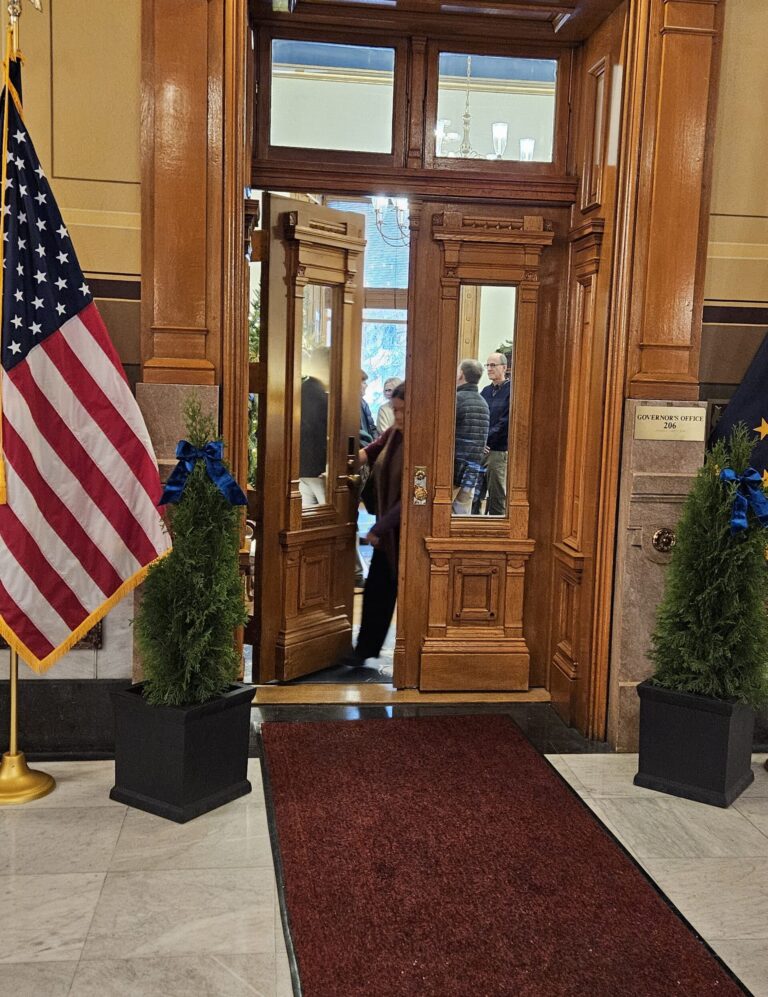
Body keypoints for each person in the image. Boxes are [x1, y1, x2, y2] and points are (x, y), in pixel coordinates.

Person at [342, 382, 405, 667]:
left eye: (403, 410)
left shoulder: (423, 441)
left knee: (386, 588)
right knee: (378, 588)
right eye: (395, 410)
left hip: (404, 533)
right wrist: (339, 467)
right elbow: (369, 450)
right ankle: (364, 649)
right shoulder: (394, 434)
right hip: (388, 530)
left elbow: (413, 500)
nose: (399, 415)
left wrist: (379, 529)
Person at [452, 359, 489, 516]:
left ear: (461, 374)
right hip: (473, 469)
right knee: (462, 514)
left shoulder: (456, 399)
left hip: (454, 468)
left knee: (442, 515)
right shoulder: (483, 402)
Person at [480, 352, 511, 515]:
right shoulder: (485, 391)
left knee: (496, 498)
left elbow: (504, 423)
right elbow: (479, 418)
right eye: (488, 365)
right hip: (482, 450)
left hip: (498, 451)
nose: (489, 369)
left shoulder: (512, 390)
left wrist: (487, 441)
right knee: (476, 495)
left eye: (493, 365)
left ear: (504, 368)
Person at [298, 347, 330, 507]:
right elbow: (314, 432)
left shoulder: (304, 388)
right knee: (327, 515)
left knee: (306, 515)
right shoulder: (317, 394)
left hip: (302, 467)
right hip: (316, 469)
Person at [359, 369, 378, 446]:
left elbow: (372, 428)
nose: (366, 385)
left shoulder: (364, 403)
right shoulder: (351, 406)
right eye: (364, 382)